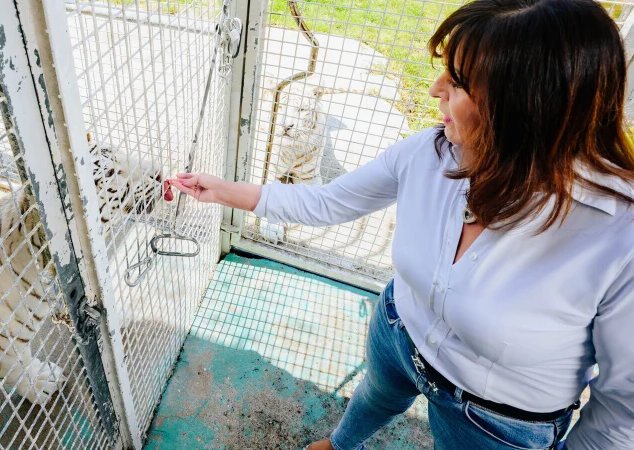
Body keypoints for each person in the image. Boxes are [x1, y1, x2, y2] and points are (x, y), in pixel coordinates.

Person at [168, 0, 634, 448]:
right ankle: (342, 443)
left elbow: (621, 408)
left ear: (526, 109)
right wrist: (222, 191)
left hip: (496, 421)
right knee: (374, 395)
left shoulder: (618, 234)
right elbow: (328, 202)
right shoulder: (429, 152)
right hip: (397, 333)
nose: (434, 88)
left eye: (458, 83)